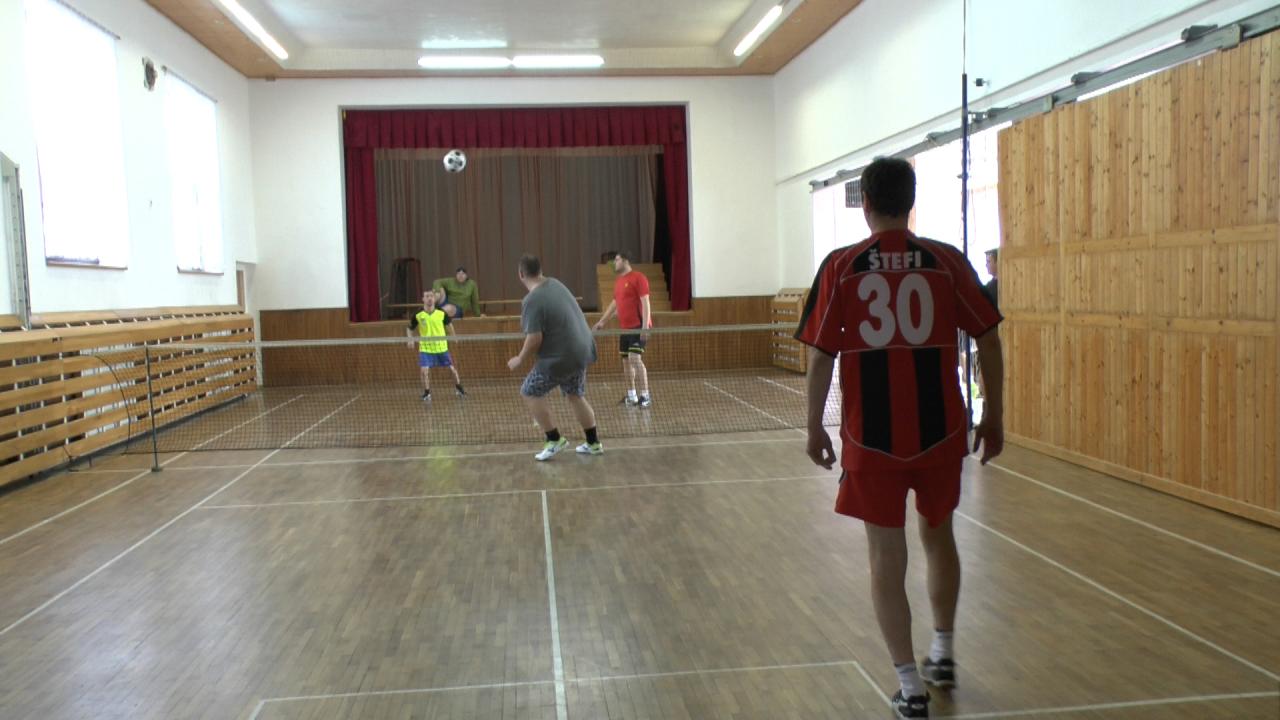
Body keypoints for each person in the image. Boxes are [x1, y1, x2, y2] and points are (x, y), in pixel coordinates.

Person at [796, 158, 1004, 720]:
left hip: (872, 440)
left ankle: (910, 686)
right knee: (940, 536)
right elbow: (987, 337)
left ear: (864, 203)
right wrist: (995, 415)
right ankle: (943, 652)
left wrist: (813, 426)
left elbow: (821, 356)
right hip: (941, 434)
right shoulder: (946, 260)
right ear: (911, 202)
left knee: (885, 555)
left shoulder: (842, 265)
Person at [507, 254, 602, 461]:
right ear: (540, 270)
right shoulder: (556, 284)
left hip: (561, 357)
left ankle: (554, 439)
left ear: (521, 274)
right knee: (575, 394)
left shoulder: (532, 300)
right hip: (582, 350)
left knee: (529, 392)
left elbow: (534, 338)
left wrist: (520, 358)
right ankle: (593, 443)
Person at [593, 251, 652, 407]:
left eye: (617, 260)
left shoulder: (639, 278)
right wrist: (602, 322)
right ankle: (632, 396)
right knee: (626, 361)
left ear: (625, 261)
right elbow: (615, 305)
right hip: (625, 328)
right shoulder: (619, 281)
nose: (614, 263)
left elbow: (645, 302)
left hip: (638, 327)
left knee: (634, 358)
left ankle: (645, 395)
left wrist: (645, 327)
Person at [406, 290, 466, 401]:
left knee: (451, 369)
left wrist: (454, 336)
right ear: (423, 299)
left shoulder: (441, 312)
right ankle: (426, 393)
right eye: (427, 296)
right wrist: (410, 339)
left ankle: (459, 388)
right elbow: (409, 328)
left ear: (434, 299)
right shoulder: (418, 314)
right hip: (426, 348)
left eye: (431, 296)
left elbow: (449, 325)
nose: (429, 298)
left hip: (441, 347)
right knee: (424, 371)